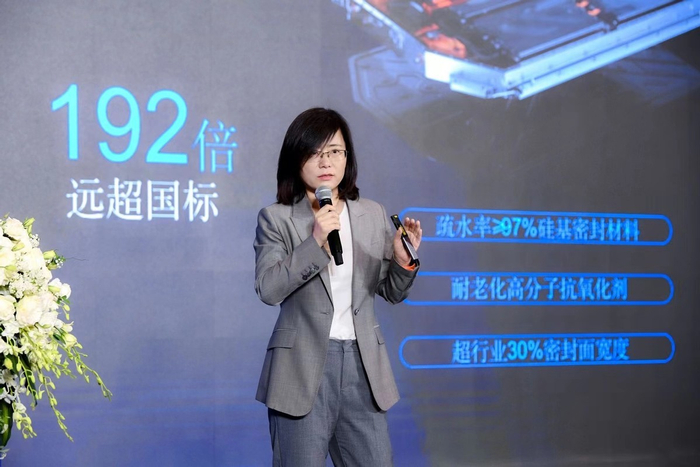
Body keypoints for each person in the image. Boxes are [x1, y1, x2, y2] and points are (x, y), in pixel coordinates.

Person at [254, 107, 422, 466]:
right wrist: (315, 242)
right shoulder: (277, 218)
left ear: (348, 157)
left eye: (334, 151)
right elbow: (268, 288)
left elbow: (392, 292)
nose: (325, 161)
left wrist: (402, 260)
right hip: (301, 370)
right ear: (296, 159)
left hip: (364, 366)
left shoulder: (371, 214)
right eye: (314, 152)